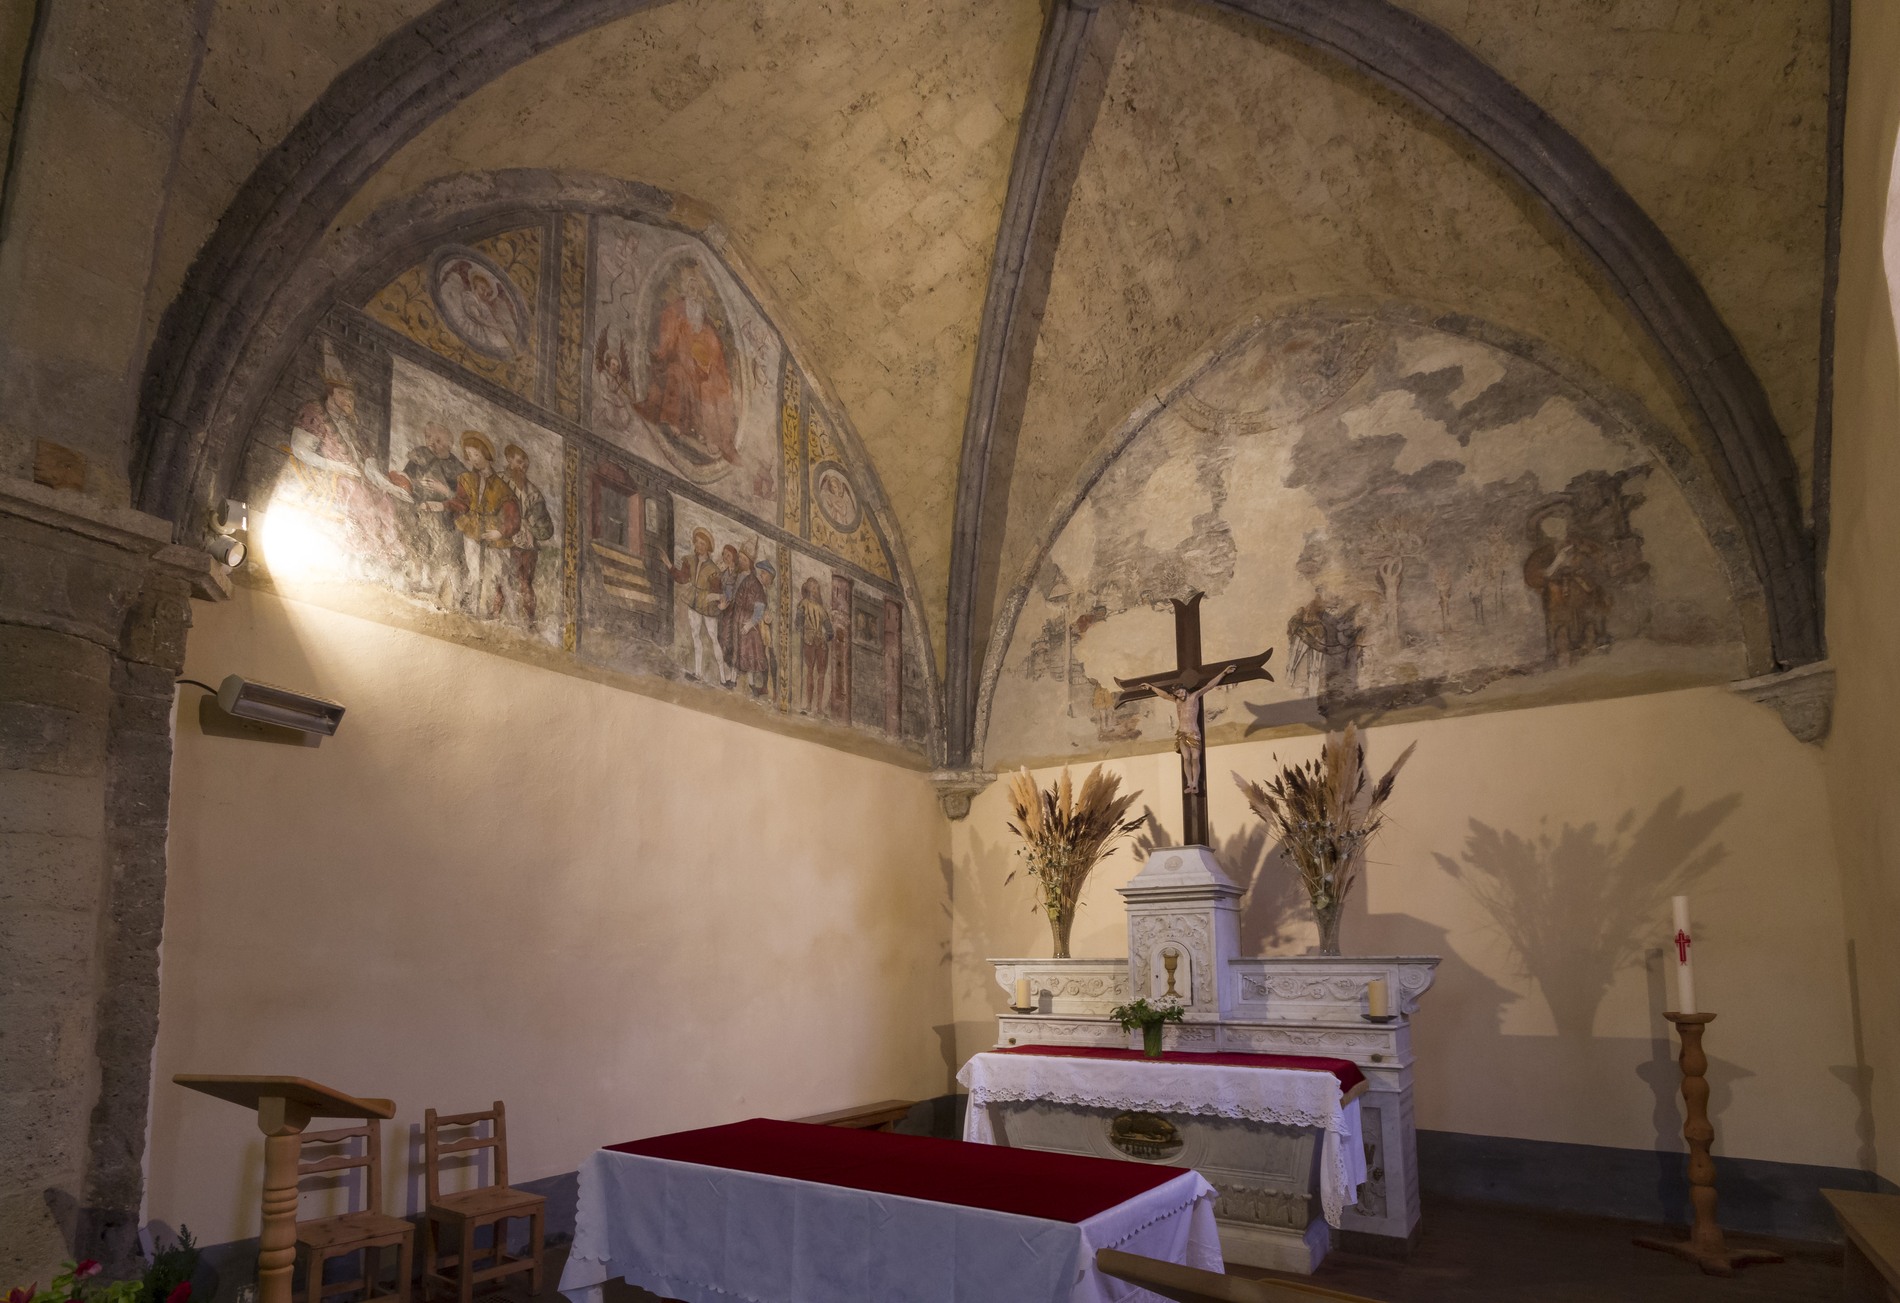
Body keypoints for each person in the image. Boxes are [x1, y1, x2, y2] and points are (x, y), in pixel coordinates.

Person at [636, 261, 739, 464]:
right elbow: (668, 339)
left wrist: (705, 364)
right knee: (677, 373)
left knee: (710, 390)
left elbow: (713, 351)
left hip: (699, 369)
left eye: (697, 289)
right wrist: (666, 351)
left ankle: (707, 435)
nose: (694, 292)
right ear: (686, 290)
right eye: (691, 288)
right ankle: (673, 421)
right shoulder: (676, 311)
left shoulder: (706, 325)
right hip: (678, 361)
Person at [424, 432, 518, 618]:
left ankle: (510, 618)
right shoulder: (466, 479)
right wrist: (442, 505)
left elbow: (513, 516)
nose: (473, 459)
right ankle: (469, 610)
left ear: (486, 454)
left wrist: (501, 532)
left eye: (476, 454)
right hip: (472, 529)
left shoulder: (502, 486)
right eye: (469, 454)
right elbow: (462, 503)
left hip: (494, 534)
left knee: (500, 577)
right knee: (474, 572)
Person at [400, 422, 466, 601]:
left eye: (438, 440)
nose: (431, 443)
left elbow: (464, 500)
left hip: (445, 519)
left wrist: (443, 489)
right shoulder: (419, 458)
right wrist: (409, 483)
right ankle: (419, 579)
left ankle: (443, 589)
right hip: (419, 511)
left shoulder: (457, 468)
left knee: (443, 553)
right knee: (417, 543)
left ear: (449, 444)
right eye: (428, 437)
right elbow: (406, 478)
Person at [670, 528, 733, 683]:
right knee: (695, 636)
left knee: (713, 638)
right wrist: (668, 564)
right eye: (697, 542)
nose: (699, 546)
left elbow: (717, 590)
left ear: (708, 547)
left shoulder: (713, 569)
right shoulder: (690, 560)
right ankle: (697, 673)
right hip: (694, 600)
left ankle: (723, 677)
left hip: (708, 604)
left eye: (702, 544)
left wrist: (720, 604)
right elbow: (682, 578)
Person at [502, 442, 555, 626]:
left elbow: (546, 528)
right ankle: (495, 615)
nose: (522, 468)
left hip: (525, 546)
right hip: (502, 540)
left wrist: (530, 528)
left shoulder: (533, 493)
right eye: (518, 462)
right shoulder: (498, 482)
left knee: (525, 582)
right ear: (509, 460)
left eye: (525, 465)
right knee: (500, 580)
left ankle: (530, 621)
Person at [718, 544, 772, 697]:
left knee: (748, 654)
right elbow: (729, 593)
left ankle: (752, 685)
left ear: (750, 562)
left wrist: (749, 625)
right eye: (740, 558)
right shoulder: (737, 576)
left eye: (744, 559)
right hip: (735, 617)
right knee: (735, 650)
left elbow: (759, 607)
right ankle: (733, 680)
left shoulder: (754, 582)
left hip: (747, 621)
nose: (741, 561)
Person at [1169, 665, 1230, 796]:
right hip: (1182, 733)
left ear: (1184, 689)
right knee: (1186, 758)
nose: (1180, 695)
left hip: (1193, 733)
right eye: (1177, 694)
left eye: (1180, 692)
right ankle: (1189, 783)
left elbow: (1209, 686)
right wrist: (1151, 688)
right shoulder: (1178, 702)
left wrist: (1224, 673)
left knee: (1195, 758)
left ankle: (1196, 783)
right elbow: (1163, 695)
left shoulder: (1194, 697)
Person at [796, 576, 833, 714]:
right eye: (813, 587)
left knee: (821, 674)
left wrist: (824, 636)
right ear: (808, 588)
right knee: (810, 671)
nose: (816, 589)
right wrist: (803, 631)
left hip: (820, 643)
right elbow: (798, 623)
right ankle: (809, 705)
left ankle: (819, 707)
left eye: (817, 587)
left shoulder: (821, 609)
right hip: (809, 640)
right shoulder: (803, 604)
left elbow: (830, 631)